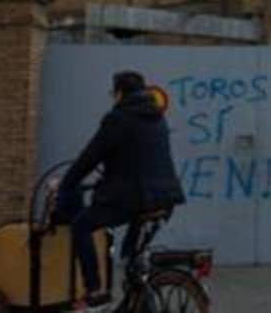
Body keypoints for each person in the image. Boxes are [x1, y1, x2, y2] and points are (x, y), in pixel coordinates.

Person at [54, 70, 185, 310]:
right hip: (165, 199)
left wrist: (65, 184)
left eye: (112, 93)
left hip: (134, 198)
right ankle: (140, 299)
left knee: (81, 225)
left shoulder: (118, 118)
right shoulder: (157, 117)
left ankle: (95, 291)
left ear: (120, 93)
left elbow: (89, 158)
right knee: (133, 261)